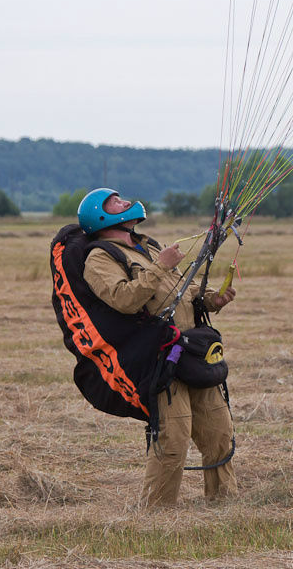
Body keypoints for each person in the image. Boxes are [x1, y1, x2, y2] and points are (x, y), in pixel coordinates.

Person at [77, 187, 239, 506]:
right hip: (161, 359)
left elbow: (184, 289)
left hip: (193, 350)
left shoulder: (149, 246)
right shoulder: (99, 258)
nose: (125, 202)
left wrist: (211, 299)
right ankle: (156, 515)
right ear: (101, 214)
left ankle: (224, 505)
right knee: (173, 439)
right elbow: (124, 300)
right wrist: (161, 266)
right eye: (116, 202)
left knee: (220, 432)